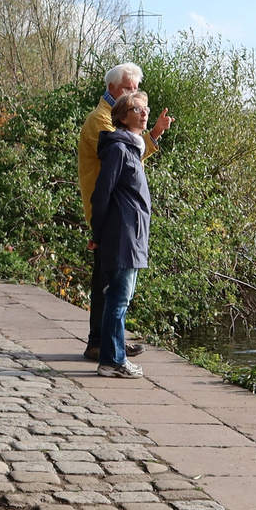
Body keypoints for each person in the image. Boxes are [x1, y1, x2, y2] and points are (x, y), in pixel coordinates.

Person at [78, 63, 172, 362]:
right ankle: (103, 346)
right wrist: (150, 134)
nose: (136, 95)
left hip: (118, 213)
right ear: (114, 89)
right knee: (109, 284)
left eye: (136, 89)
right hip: (110, 213)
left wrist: (153, 133)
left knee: (112, 283)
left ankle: (109, 342)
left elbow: (132, 151)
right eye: (130, 89)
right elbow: (122, 156)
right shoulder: (101, 121)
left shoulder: (115, 122)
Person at [89, 91, 154, 378]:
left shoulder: (133, 147)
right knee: (119, 297)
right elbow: (101, 195)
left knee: (118, 297)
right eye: (137, 109)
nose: (144, 113)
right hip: (123, 235)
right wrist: (98, 233)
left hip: (132, 235)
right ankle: (113, 361)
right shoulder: (118, 148)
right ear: (122, 116)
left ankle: (111, 357)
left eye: (145, 108)